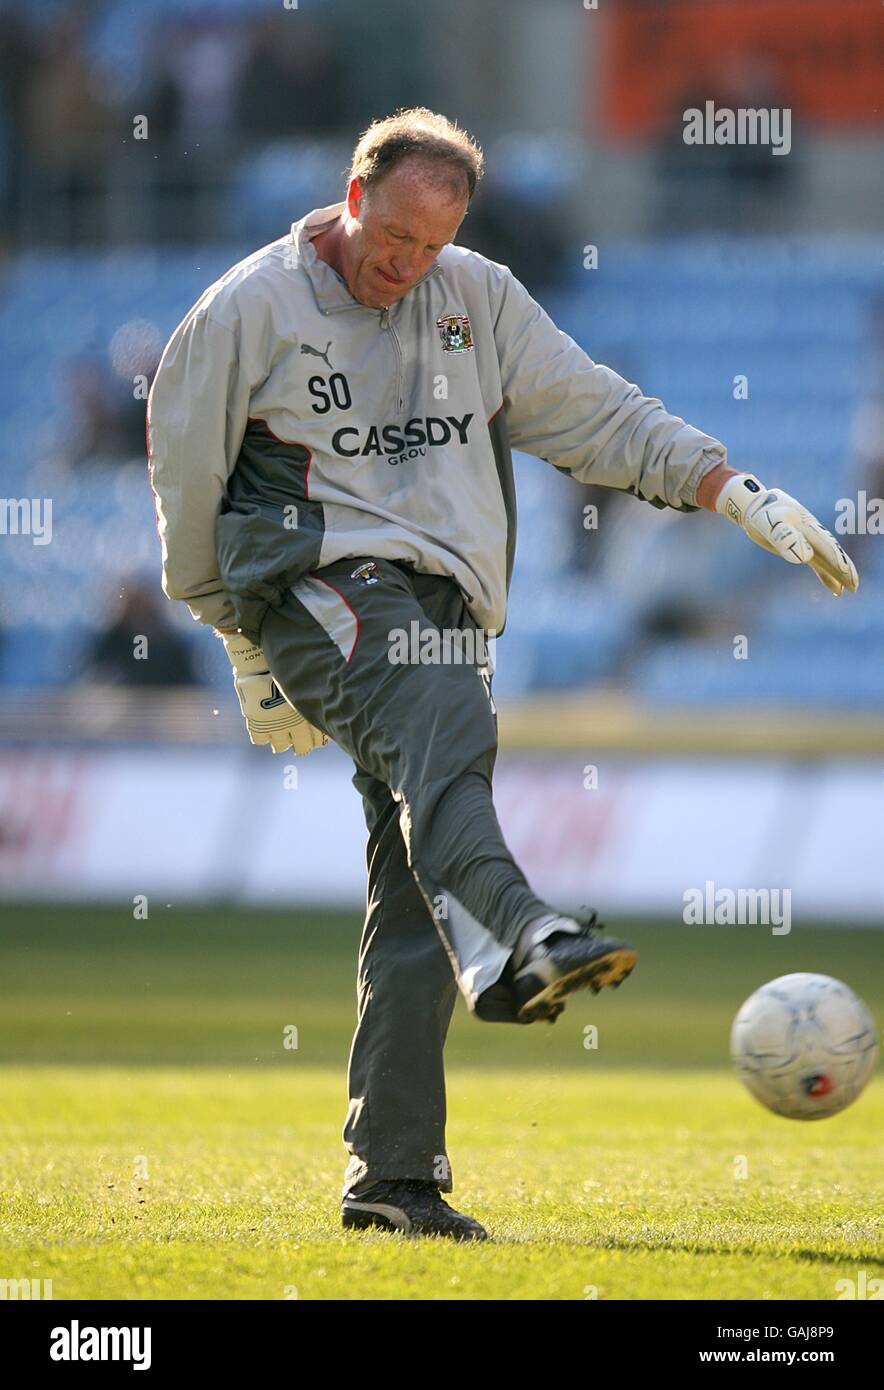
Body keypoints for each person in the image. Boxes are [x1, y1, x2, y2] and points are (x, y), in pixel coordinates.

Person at [146, 107, 858, 1242]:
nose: (406, 266)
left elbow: (591, 413)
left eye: (431, 246)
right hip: (312, 577)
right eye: (392, 239)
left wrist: (728, 488)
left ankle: (391, 1180)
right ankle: (524, 931)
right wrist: (235, 640)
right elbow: (185, 484)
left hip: (440, 603)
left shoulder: (472, 298)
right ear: (352, 193)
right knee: (445, 739)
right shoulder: (245, 311)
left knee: (414, 888)